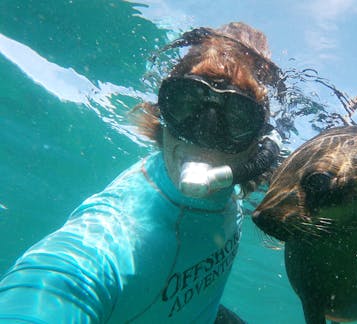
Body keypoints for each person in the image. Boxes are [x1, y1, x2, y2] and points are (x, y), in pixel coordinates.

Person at [0, 22, 282, 323]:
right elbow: (56, 284)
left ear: (259, 145)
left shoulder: (232, 191)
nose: (204, 134)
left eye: (238, 117)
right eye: (186, 103)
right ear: (162, 110)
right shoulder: (111, 237)